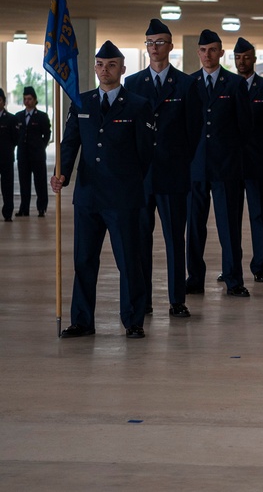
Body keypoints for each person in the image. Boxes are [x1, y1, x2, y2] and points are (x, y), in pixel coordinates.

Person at [53, 40, 155, 338]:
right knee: (84, 260)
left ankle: (133, 321)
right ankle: (82, 321)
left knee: (128, 261)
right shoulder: (82, 102)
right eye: (99, 64)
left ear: (122, 69)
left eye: (111, 65)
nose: (104, 70)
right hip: (88, 196)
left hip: (122, 197)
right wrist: (62, 174)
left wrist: (128, 181)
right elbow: (70, 143)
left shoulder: (138, 105)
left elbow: (145, 152)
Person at [124, 18, 201, 317]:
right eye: (150, 43)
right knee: (141, 240)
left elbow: (194, 130)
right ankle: (143, 301)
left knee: (173, 240)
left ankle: (177, 300)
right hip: (142, 177)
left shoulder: (186, 84)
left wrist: (179, 160)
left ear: (170, 46)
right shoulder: (132, 84)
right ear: (146, 48)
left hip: (173, 174)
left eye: (160, 43)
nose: (155, 48)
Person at [186, 29, 253, 297]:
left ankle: (234, 279)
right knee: (194, 227)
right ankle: (194, 278)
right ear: (198, 53)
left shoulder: (235, 84)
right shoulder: (189, 84)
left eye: (212, 50)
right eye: (202, 50)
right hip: (196, 167)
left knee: (229, 227)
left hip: (226, 168)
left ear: (221, 53)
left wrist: (236, 160)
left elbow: (245, 127)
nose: (207, 55)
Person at [233, 37, 263, 282]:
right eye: (238, 57)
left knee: (259, 215)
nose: (242, 61)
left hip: (258, 163)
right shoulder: (227, 86)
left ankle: (260, 265)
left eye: (246, 57)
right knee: (230, 220)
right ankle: (231, 267)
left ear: (254, 58)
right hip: (230, 165)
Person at [15, 86, 51, 217]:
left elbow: (47, 134)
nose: (27, 101)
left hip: (37, 155)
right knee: (24, 182)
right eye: (25, 99)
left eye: (29, 99)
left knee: (40, 182)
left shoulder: (41, 116)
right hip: (23, 155)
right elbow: (15, 134)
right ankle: (24, 208)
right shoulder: (18, 116)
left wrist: (41, 146)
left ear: (35, 100)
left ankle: (41, 208)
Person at [0, 89, 17, 221]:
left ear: (4, 102)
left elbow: (15, 138)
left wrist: (8, 148)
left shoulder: (11, 119)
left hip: (6, 158)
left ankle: (7, 213)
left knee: (7, 186)